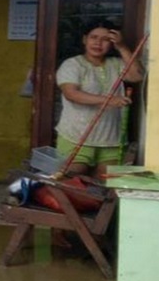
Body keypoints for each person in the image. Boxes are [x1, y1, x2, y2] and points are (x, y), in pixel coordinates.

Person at [56, 20, 144, 177]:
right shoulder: (72, 65)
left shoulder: (116, 64)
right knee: (73, 183)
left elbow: (137, 76)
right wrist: (109, 100)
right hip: (76, 136)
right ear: (85, 39)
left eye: (105, 39)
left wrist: (122, 47)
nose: (98, 43)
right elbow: (71, 94)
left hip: (111, 139)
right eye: (93, 37)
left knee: (106, 187)